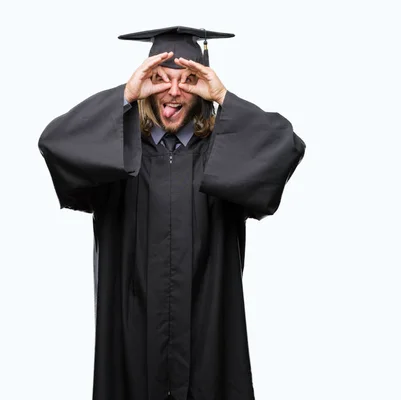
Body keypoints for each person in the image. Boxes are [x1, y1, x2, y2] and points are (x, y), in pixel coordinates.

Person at [38, 26, 306, 400]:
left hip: (208, 343)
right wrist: (125, 95)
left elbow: (286, 146)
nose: (174, 91)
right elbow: (54, 143)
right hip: (133, 345)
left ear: (202, 89)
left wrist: (225, 97)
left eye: (187, 80)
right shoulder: (118, 157)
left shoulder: (222, 156)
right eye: (160, 79)